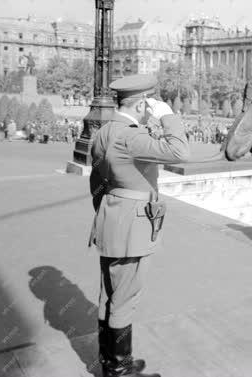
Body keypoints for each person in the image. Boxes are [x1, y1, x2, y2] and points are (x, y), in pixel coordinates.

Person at [89, 75, 190, 377]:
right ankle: (120, 371)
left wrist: (107, 210)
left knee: (109, 295)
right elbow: (180, 152)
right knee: (125, 298)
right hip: (132, 225)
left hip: (111, 217)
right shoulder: (130, 136)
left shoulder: (105, 131)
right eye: (152, 101)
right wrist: (168, 116)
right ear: (144, 103)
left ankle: (112, 361)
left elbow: (96, 181)